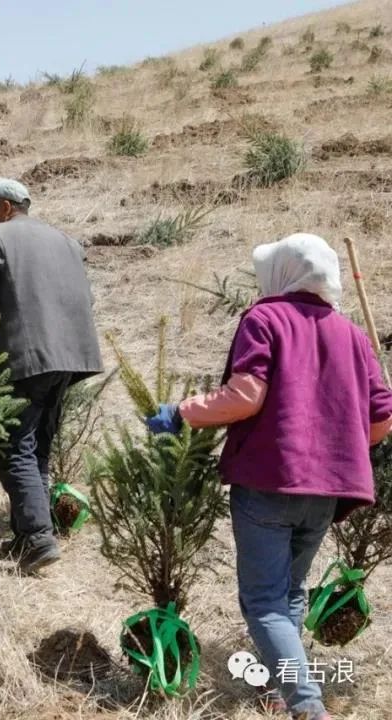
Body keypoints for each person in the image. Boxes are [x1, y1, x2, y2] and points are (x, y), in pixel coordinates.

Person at [145, 233, 392, 720]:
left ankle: (307, 706)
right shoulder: (352, 334)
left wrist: (181, 412)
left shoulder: (265, 318)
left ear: (283, 272)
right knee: (290, 593)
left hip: (270, 482)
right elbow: (381, 421)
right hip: (329, 490)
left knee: (263, 603)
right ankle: (281, 691)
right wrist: (333, 446)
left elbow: (245, 396)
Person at [0, 178, 103, 571]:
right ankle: (28, 536)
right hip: (71, 357)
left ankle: (38, 538)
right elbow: (86, 298)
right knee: (36, 447)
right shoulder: (66, 241)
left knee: (13, 447)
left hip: (26, 357)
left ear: (6, 207)